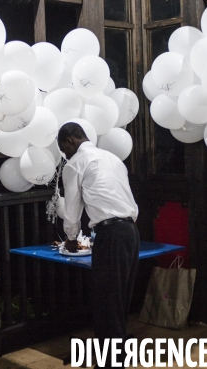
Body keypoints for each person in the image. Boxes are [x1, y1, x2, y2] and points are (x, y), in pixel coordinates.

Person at [57, 122, 139, 368]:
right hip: (131, 232)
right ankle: (118, 357)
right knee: (120, 300)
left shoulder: (75, 164)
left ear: (71, 141)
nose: (64, 155)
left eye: (64, 149)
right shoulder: (113, 159)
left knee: (106, 302)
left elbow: (72, 208)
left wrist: (71, 238)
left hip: (111, 234)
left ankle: (111, 364)